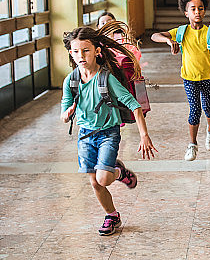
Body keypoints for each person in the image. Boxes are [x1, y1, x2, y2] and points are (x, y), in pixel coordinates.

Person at [60, 27, 157, 236]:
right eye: (76, 52)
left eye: (85, 51)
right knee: (95, 183)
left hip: (108, 134)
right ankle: (112, 215)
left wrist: (144, 135)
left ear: (96, 51)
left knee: (104, 179)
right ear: (71, 53)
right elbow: (64, 111)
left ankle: (119, 171)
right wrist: (67, 114)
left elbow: (133, 104)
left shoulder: (106, 79)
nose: (81, 56)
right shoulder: (71, 81)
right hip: (85, 136)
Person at [151, 0, 210, 162]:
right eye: (192, 9)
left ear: (204, 10)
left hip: (208, 78)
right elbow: (155, 36)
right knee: (194, 110)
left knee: (208, 107)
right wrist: (168, 40)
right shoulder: (181, 32)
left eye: (200, 8)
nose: (197, 12)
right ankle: (192, 144)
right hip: (189, 79)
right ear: (186, 13)